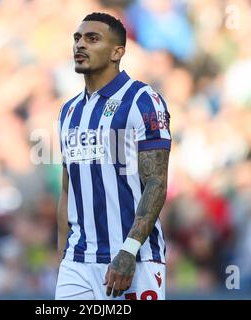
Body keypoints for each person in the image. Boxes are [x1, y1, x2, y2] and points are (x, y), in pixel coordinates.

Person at [55, 12, 171, 300]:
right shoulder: (69, 111)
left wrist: (128, 250)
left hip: (135, 259)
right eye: (77, 38)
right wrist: (62, 260)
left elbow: (156, 182)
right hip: (77, 263)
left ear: (117, 51)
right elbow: (68, 190)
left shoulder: (143, 101)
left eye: (92, 39)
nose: (80, 45)